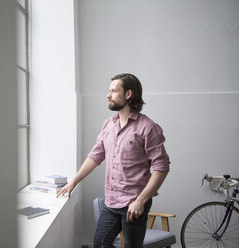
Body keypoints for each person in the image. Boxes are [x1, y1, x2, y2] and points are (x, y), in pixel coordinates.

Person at [57, 73, 170, 248]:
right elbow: (95, 156)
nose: (108, 95)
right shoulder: (108, 124)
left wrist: (141, 201)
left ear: (128, 94)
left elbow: (161, 167)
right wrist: (73, 182)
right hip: (111, 202)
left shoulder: (148, 128)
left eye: (113, 91)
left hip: (134, 202)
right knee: (100, 243)